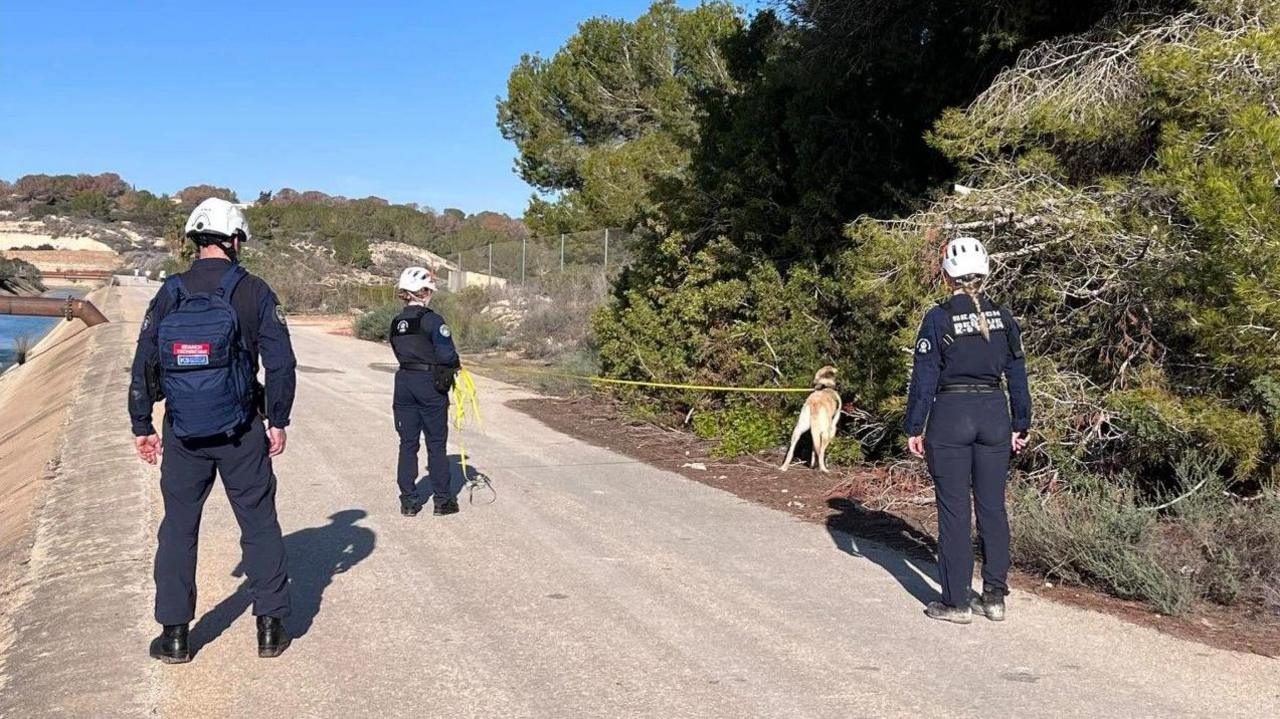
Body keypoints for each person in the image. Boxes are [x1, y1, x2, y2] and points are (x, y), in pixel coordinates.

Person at [129, 197, 297, 662]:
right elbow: (281, 363)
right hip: (241, 429)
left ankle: (176, 636)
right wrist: (278, 419)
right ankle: (270, 629)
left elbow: (144, 363)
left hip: (183, 431)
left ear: (194, 241)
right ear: (236, 239)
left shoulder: (169, 292)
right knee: (258, 521)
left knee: (179, 528)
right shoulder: (255, 291)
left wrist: (142, 423)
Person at [903, 236, 1031, 624]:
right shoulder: (1004, 317)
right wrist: (1021, 423)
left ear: (947, 275)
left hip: (952, 414)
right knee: (992, 507)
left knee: (955, 511)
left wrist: (914, 425)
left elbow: (924, 378)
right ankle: (994, 597)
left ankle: (957, 601)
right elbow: (1018, 374)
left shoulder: (939, 317)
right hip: (994, 414)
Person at [388, 266, 461, 517]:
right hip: (429, 385)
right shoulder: (433, 320)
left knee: (407, 444)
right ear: (424, 291)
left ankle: (408, 501)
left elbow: (399, 352)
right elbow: (447, 355)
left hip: (404, 383)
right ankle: (442, 501)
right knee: (436, 444)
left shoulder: (397, 322)